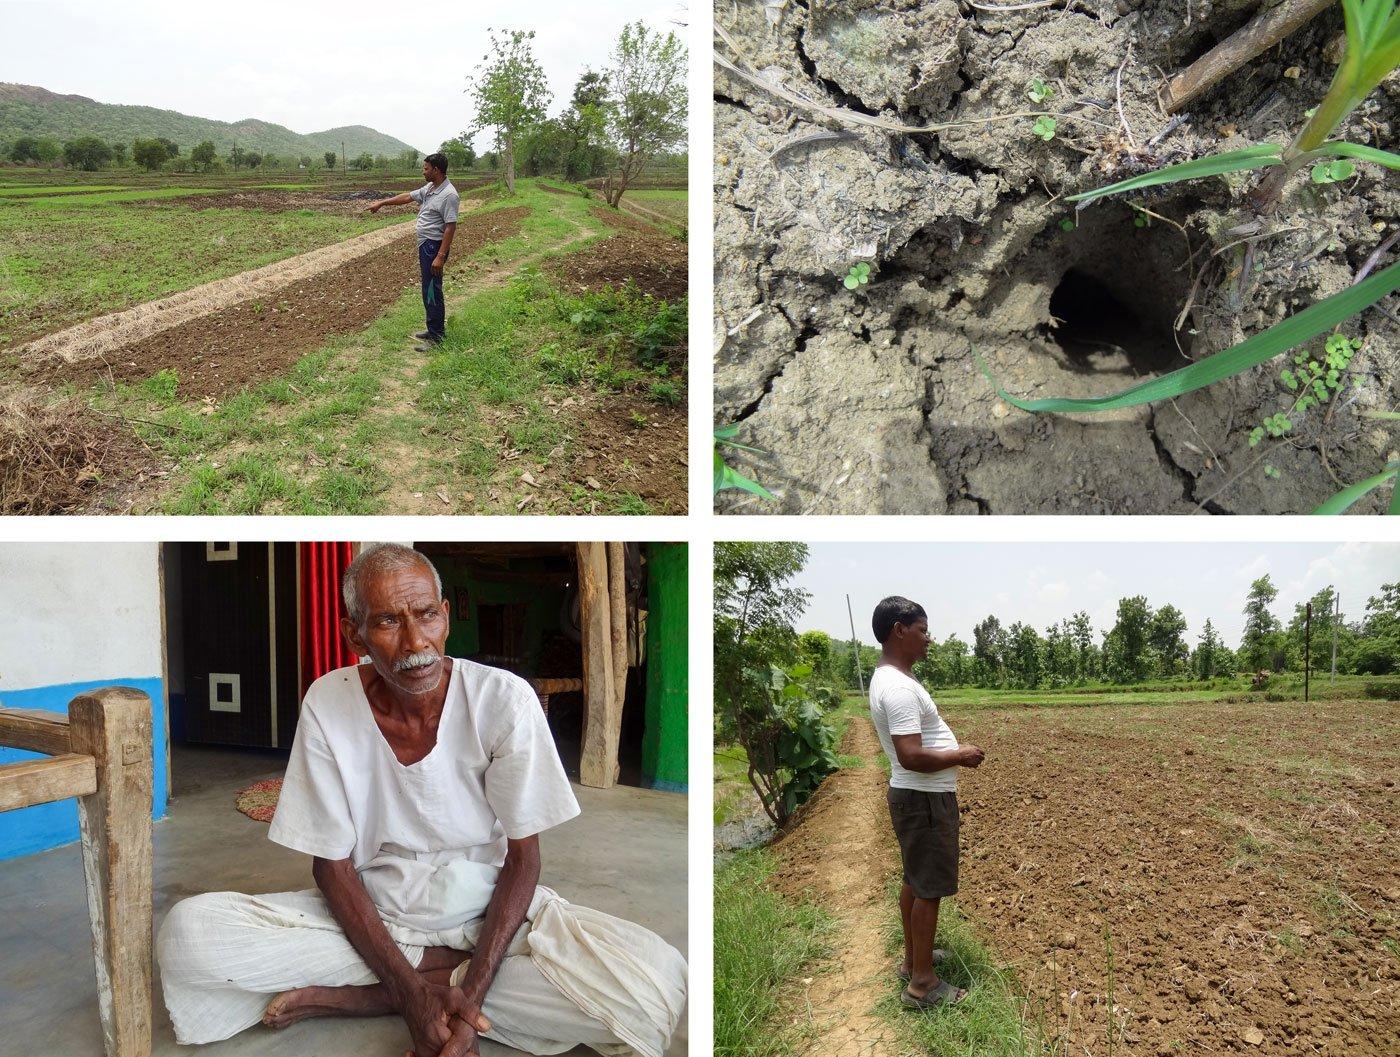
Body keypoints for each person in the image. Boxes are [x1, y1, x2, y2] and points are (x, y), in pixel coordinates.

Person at [156, 544, 687, 1057]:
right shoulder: (328, 702)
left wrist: (469, 988)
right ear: (354, 634)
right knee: (190, 936)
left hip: (488, 915)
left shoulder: (504, 699)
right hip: (374, 916)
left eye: (426, 615)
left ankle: (374, 996)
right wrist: (414, 1000)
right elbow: (331, 867)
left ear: (447, 617)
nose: (416, 643)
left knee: (653, 987)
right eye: (388, 622)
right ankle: (420, 983)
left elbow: (524, 859)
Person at [868, 595, 985, 1011]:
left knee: (914, 882)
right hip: (924, 800)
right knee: (929, 889)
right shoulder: (898, 687)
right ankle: (923, 984)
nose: (928, 639)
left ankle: (912, 959)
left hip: (917, 798)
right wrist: (961, 754)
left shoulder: (893, 677)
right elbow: (911, 755)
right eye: (922, 630)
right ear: (899, 630)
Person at [369, 153, 459, 351]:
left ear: (436, 170)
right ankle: (432, 329)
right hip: (426, 245)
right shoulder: (430, 188)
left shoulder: (449, 195)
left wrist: (440, 256)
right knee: (427, 288)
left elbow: (450, 227)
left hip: (434, 247)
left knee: (432, 290)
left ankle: (437, 337)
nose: (423, 171)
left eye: (426, 168)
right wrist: (382, 203)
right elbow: (408, 197)